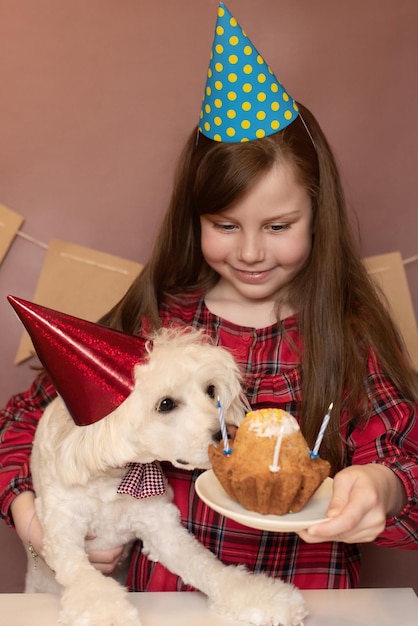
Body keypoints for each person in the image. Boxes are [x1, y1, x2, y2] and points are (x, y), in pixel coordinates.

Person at [1, 2, 418, 592]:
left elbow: (408, 458)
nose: (250, 252)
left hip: (310, 595)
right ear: (194, 218)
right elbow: (27, 422)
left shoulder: (341, 332)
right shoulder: (156, 326)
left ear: (318, 217)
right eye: (226, 225)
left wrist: (383, 486)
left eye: (277, 226)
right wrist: (34, 521)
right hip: (172, 600)